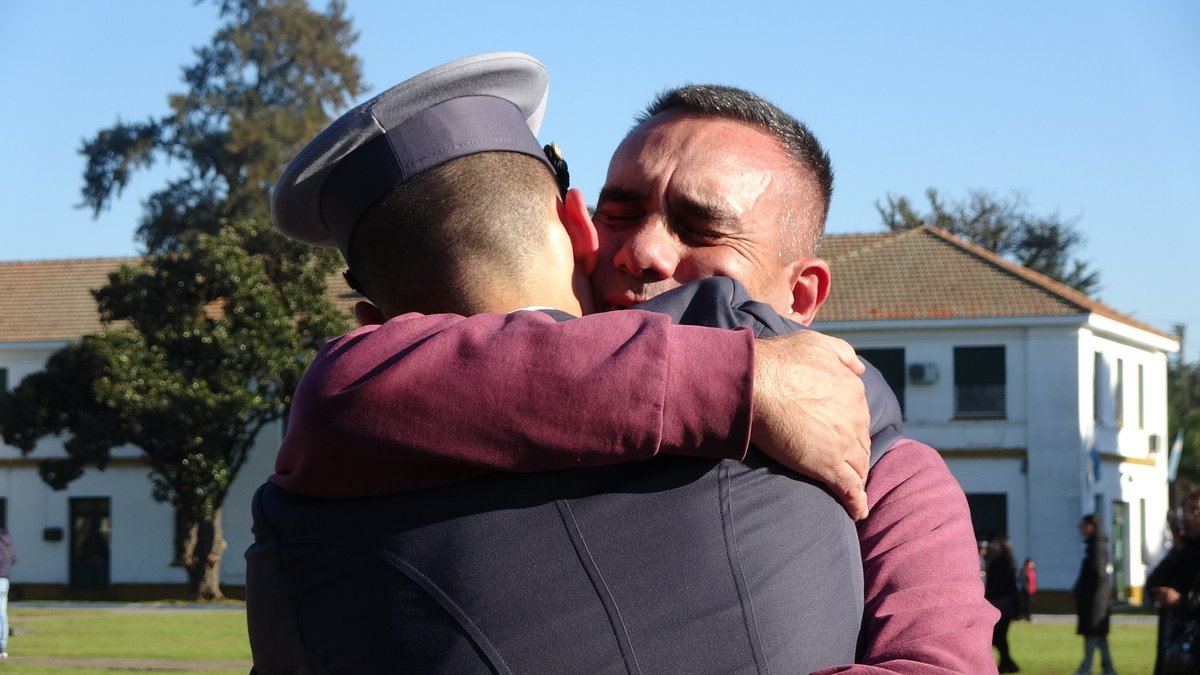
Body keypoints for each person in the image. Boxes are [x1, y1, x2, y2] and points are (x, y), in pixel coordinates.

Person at [269, 79, 999, 671]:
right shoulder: (405, 391)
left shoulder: (888, 471)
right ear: (577, 231)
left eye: (701, 228)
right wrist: (744, 376)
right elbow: (350, 387)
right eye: (620, 213)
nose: (644, 252)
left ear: (802, 295)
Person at [1147, 488, 1200, 674]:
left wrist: (1180, 601)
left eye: (1195, 512)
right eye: (1185, 511)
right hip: (1174, 654)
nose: (1187, 518)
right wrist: (1177, 549)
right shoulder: (1184, 552)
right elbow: (1152, 586)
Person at [1073, 514, 1117, 675]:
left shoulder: (1096, 547)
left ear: (1090, 526)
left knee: (1092, 634)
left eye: (1083, 526)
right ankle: (1108, 668)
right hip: (1097, 600)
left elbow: (1097, 574)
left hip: (1095, 601)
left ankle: (1086, 668)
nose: (1081, 530)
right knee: (1099, 636)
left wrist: (1086, 593)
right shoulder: (1095, 546)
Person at [984, 535, 1020, 673]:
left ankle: (1007, 663)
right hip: (1005, 605)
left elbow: (999, 586)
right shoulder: (1005, 562)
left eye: (996, 543)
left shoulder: (1001, 564)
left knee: (996, 637)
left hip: (1001, 605)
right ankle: (1007, 663)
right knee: (999, 637)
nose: (992, 545)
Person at [0, 527, 13, 660]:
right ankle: (3, 647)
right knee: (2, 613)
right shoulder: (8, 545)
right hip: (5, 580)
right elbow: (13, 559)